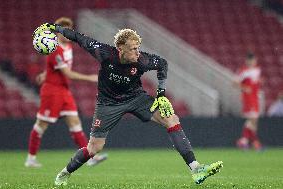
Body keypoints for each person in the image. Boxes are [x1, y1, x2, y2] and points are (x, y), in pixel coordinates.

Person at [33, 23, 223, 185]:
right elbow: (78, 37)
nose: (137, 52)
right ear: (121, 48)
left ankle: (196, 169)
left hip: (136, 98)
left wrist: (161, 93)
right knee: (94, 148)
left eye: (138, 47)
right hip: (108, 104)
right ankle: (64, 173)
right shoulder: (105, 53)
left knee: (171, 118)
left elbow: (162, 63)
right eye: (133, 48)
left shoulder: (142, 61)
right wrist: (56, 28)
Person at [25, 17, 107, 168]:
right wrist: (90, 77)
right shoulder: (55, 50)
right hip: (52, 92)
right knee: (41, 125)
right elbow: (68, 73)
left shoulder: (67, 47)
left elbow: (55, 68)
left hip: (64, 91)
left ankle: (89, 157)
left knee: (75, 123)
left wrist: (45, 74)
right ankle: (30, 159)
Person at [233, 52, 263, 151]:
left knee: (253, 120)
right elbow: (234, 83)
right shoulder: (243, 71)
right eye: (250, 60)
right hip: (248, 98)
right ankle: (253, 142)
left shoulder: (257, 70)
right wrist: (244, 88)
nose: (252, 62)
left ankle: (245, 141)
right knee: (253, 119)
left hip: (255, 97)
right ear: (247, 61)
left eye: (253, 60)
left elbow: (256, 84)